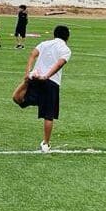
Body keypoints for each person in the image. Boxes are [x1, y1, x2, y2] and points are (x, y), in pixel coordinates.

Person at [20, 25, 71, 153]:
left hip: (35, 79)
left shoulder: (44, 43)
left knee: (19, 99)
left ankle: (35, 100)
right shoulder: (65, 49)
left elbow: (33, 54)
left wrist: (28, 72)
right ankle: (46, 143)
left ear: (54, 34)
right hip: (51, 83)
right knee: (49, 115)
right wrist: (47, 76)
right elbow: (59, 64)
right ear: (67, 37)